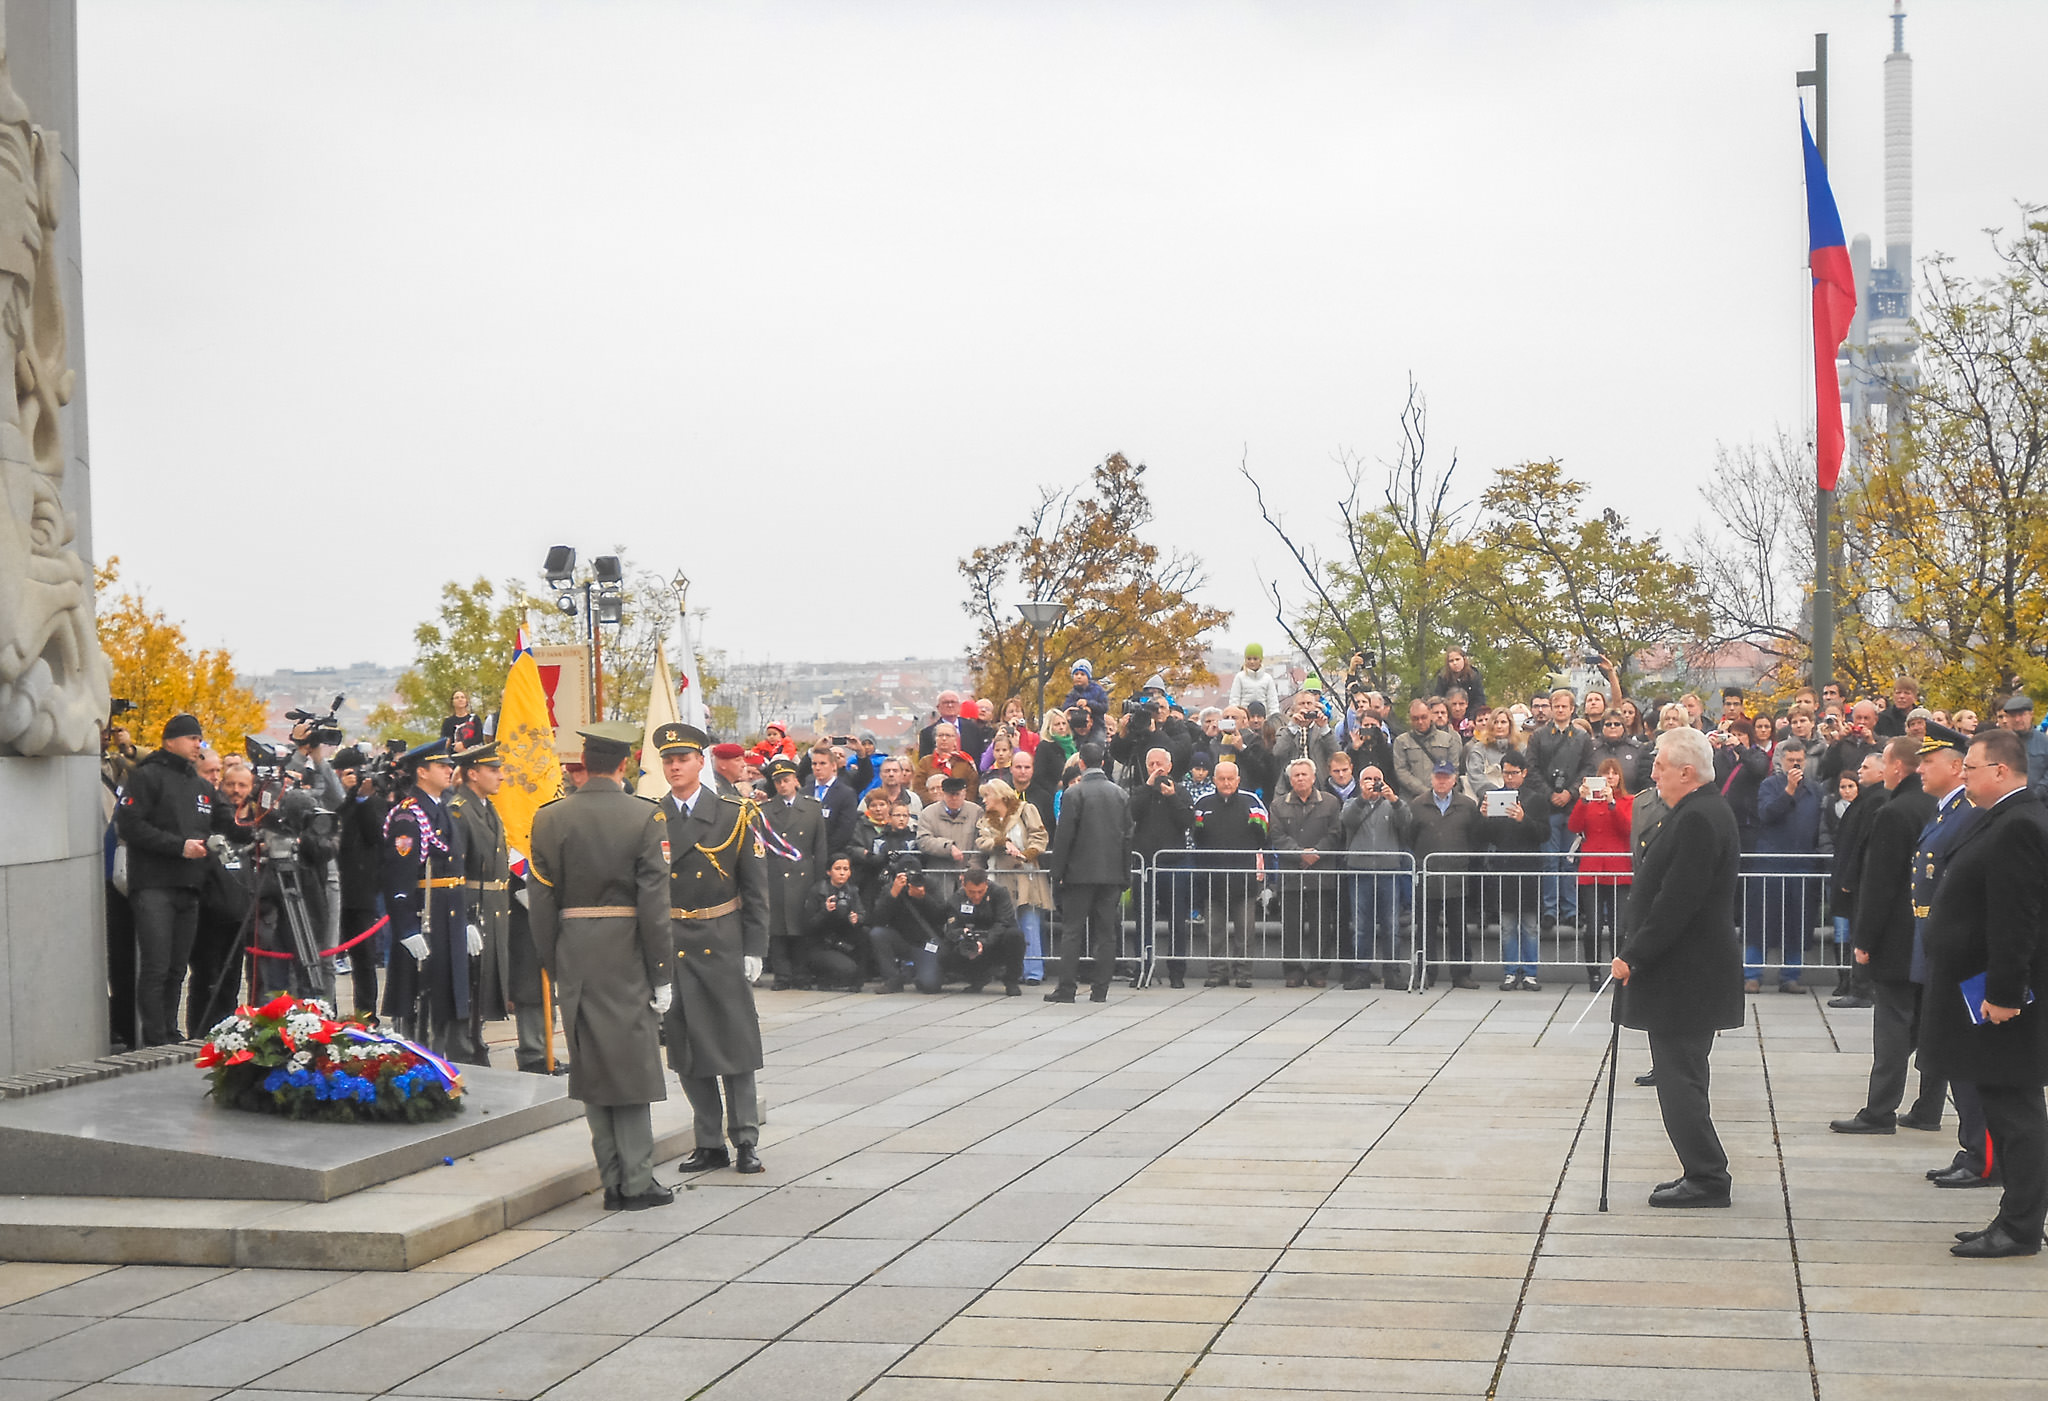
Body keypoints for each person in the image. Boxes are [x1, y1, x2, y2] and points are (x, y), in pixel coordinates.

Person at [527, 721, 675, 1209]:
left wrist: (556, 959)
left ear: (584, 765)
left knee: (592, 1064)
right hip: (626, 949)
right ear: (626, 763)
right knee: (630, 1066)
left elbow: (542, 902)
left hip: (574, 948)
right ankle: (637, 1181)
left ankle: (612, 1179)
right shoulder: (645, 817)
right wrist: (661, 972)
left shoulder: (549, 817)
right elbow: (654, 904)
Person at [1916, 727, 2048, 1258]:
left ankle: (2019, 1226)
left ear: (2000, 770)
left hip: (1997, 997)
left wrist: (2005, 992)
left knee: (2014, 1112)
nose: (1963, 775)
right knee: (2005, 1106)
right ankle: (2016, 1216)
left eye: (1970, 767)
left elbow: (2017, 919)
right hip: (1979, 988)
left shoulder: (2018, 823)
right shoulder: (1999, 818)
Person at [1611, 725, 1745, 1208]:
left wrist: (1634, 954)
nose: (1653, 775)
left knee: (1680, 1081)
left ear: (1687, 771)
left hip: (1686, 973)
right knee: (1682, 1077)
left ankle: (1708, 1177)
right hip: (1686, 971)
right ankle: (1700, 1169)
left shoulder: (1697, 818)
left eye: (1661, 767)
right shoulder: (1696, 811)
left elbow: (1677, 901)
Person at [1830, 734, 1939, 1135]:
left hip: (1897, 933)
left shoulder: (1895, 811)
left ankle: (1879, 1111)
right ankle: (1928, 1107)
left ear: (1897, 766)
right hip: (1931, 931)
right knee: (1929, 1022)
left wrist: (1864, 938)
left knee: (1893, 1023)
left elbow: (1880, 882)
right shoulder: (1938, 806)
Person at [114, 713, 233, 1046]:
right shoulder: (145, 776)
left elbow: (224, 824)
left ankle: (168, 1029)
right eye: (192, 738)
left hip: (189, 887)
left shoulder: (201, 786)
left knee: (177, 968)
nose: (198, 744)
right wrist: (179, 846)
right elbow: (131, 826)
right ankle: (154, 1038)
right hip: (153, 885)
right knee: (156, 965)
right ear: (171, 741)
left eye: (200, 739)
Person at [380, 738, 480, 1060]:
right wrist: (406, 929)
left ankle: (439, 1064)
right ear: (422, 772)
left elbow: (453, 872)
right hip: (424, 920)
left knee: (443, 1004)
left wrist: (463, 921)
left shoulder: (440, 808)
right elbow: (399, 877)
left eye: (449, 765)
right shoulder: (409, 817)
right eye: (442, 765)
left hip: (446, 917)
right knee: (419, 1007)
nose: (450, 770)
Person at [1046, 741, 1132, 1002]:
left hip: (1078, 874)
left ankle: (1067, 988)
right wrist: (1125, 874)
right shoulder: (1121, 795)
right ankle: (1100, 990)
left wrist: (1056, 872)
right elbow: (1128, 836)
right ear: (1103, 762)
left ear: (1081, 763)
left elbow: (1064, 837)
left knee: (1072, 932)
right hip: (1111, 874)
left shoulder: (1074, 794)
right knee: (1106, 934)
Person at [448, 743, 511, 1064]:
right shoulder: (459, 810)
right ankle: (464, 1049)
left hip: (493, 904)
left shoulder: (486, 807)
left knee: (483, 983)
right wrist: (462, 919)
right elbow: (453, 871)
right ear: (472, 774)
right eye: (493, 770)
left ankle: (476, 1042)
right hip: (473, 906)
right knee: (468, 982)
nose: (500, 776)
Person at [1749, 738, 1824, 994]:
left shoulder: (1815, 790)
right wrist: (1789, 791)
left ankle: (1790, 976)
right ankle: (1752, 975)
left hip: (1802, 864)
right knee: (1760, 922)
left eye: (1799, 760)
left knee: (1797, 924)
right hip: (1770, 863)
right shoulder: (1769, 785)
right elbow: (1767, 814)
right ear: (1781, 761)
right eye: (1791, 760)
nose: (1795, 764)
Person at [1191, 759, 1268, 989]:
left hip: (1243, 879)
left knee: (1245, 931)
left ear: (1238, 780)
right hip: (1212, 879)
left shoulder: (1252, 801)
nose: (1226, 783)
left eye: (1230, 778)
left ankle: (1243, 974)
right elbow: (1196, 835)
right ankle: (1217, 972)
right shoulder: (1203, 802)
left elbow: (1263, 833)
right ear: (1214, 780)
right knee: (1214, 930)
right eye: (1221, 779)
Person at [1408, 760, 1483, 989]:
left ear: (1454, 779)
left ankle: (1461, 973)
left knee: (1459, 928)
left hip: (1456, 876)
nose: (1441, 781)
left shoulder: (1468, 805)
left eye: (1446, 777)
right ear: (1431, 778)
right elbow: (1409, 837)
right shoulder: (1417, 805)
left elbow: (1475, 838)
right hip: (1428, 876)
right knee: (1425, 930)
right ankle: (1426, 973)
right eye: (1438, 776)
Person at [757, 755, 829, 989]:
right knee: (777, 930)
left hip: (803, 875)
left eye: (786, 780)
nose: (782, 785)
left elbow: (820, 848)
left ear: (795, 780)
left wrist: (820, 883)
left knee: (801, 927)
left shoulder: (811, 808)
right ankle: (782, 976)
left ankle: (801, 974)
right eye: (778, 781)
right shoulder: (765, 811)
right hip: (775, 874)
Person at [1483, 752, 1553, 990]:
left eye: (1514, 773)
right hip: (1504, 867)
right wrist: (1484, 817)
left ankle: (1531, 972)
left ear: (1524, 773)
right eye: (1505, 772)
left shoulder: (1536, 799)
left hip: (1529, 868)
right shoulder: (1494, 797)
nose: (1509, 778)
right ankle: (1511, 972)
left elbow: (1544, 834)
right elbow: (1486, 837)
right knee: (1507, 925)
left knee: (1530, 925)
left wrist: (1524, 819)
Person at [1339, 763, 1412, 990]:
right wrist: (1362, 798)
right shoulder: (1352, 803)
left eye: (1377, 778)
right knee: (1361, 924)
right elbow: (1347, 820)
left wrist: (1395, 800)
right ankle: (1361, 971)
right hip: (1360, 870)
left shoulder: (1391, 804)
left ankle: (1392, 971)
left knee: (1391, 923)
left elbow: (1406, 821)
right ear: (1360, 783)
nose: (1373, 782)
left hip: (1388, 870)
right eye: (1367, 779)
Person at [1130, 747, 1196, 988]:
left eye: (1160, 763)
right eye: (1151, 763)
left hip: (1173, 864)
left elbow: (1187, 821)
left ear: (1169, 766)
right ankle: (1142, 968)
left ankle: (1176, 972)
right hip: (1146, 866)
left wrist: (1171, 796)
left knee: (1177, 921)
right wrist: (1148, 787)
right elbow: (1132, 814)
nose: (1155, 767)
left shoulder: (1180, 791)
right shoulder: (1141, 791)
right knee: (1143, 920)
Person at [1528, 688, 1592, 932]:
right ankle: (1549, 910)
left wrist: (1571, 792)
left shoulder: (1583, 737)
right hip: (1547, 808)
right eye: (1556, 706)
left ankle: (1571, 910)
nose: (1560, 710)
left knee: (1570, 860)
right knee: (1549, 861)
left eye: (1565, 706)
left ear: (1572, 708)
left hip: (1573, 808)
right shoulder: (1538, 737)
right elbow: (1531, 770)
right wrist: (1550, 793)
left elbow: (1588, 768)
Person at [332, 747, 389, 1020]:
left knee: (364, 958)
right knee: (327, 956)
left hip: (361, 888)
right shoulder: (332, 798)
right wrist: (345, 794)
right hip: (330, 887)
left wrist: (364, 800)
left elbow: (375, 835)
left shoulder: (373, 802)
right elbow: (330, 821)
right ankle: (325, 1014)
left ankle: (366, 1015)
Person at [1568, 756, 1634, 988]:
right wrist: (1583, 800)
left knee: (1618, 927)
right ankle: (1593, 972)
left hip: (1618, 869)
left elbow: (1627, 828)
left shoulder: (1627, 800)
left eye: (1614, 773)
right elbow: (1574, 826)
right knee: (1593, 926)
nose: (1610, 777)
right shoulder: (1588, 802)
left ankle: (1617, 972)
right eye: (1606, 773)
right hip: (1592, 869)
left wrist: (1612, 804)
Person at [976, 778, 1050, 984]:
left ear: (1000, 794)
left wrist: (1027, 853)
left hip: (1025, 873)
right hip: (999, 877)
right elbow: (981, 841)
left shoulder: (1026, 809)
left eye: (987, 795)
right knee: (1008, 926)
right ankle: (1012, 971)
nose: (984, 800)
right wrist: (1001, 843)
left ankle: (1034, 971)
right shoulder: (985, 820)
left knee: (1030, 924)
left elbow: (1039, 834)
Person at [801, 856, 868, 992]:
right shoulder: (818, 890)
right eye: (837, 869)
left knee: (866, 934)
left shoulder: (852, 891)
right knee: (847, 969)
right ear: (829, 872)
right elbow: (808, 925)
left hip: (843, 941)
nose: (842, 873)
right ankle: (824, 977)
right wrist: (825, 911)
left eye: (845, 869)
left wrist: (857, 918)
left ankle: (857, 980)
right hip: (821, 944)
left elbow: (862, 914)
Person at [1392, 697, 1463, 801]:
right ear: (1410, 719)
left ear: (1430, 715)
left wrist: (1440, 790)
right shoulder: (1401, 742)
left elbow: (1454, 768)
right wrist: (1425, 791)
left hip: (1443, 797)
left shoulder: (1448, 739)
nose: (1420, 722)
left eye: (1423, 717)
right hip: (1412, 799)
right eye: (1415, 718)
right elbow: (1401, 772)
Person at [917, 774, 984, 868]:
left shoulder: (976, 812)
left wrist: (971, 870)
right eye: (950, 794)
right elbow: (923, 840)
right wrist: (947, 847)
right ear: (943, 794)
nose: (954, 798)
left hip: (969, 873)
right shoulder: (928, 813)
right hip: (939, 872)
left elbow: (980, 842)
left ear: (964, 793)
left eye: (957, 794)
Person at [804, 743, 860, 856]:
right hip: (806, 856)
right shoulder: (804, 792)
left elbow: (845, 830)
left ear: (833, 766)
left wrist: (822, 852)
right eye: (814, 764)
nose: (818, 768)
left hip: (832, 855)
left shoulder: (846, 794)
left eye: (822, 763)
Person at [1998, 694, 2048, 792]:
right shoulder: (1999, 744)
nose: (2017, 719)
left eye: (2021, 715)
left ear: (2031, 714)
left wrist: (2041, 790)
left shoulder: (2044, 742)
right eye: (2013, 716)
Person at [1228, 642, 1287, 718]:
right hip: (1244, 719)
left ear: (1260, 660)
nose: (1252, 662)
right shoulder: (1239, 677)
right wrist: (1234, 717)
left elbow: (1272, 702)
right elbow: (1234, 700)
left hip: (1263, 719)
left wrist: (1275, 719)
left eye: (1255, 659)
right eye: (1249, 659)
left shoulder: (1267, 678)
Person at [1059, 662, 1111, 742]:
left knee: (1096, 746)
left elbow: (1104, 707)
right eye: (1076, 674)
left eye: (1082, 674)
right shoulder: (1072, 693)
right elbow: (1065, 708)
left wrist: (1088, 704)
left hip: (1096, 727)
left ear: (1088, 677)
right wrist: (1076, 705)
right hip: (1076, 728)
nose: (1079, 677)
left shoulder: (1098, 691)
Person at [1431, 647, 1488, 713]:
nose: (1455, 663)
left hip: (1471, 714)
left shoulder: (1474, 676)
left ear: (1464, 659)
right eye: (1451, 661)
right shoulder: (1443, 677)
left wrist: (1471, 718)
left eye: (1457, 659)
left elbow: (1480, 699)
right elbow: (1438, 698)